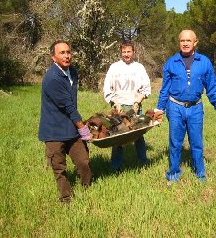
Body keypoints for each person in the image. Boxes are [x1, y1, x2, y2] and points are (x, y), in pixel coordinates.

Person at [155, 29, 216, 183]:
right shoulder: (171, 62)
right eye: (182, 40)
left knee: (197, 142)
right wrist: (159, 110)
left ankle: (200, 174)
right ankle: (173, 173)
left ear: (195, 42)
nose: (185, 43)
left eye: (188, 40)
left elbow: (211, 87)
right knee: (175, 142)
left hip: (195, 108)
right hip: (175, 107)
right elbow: (164, 89)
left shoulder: (204, 62)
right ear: (179, 42)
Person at [38, 40, 92, 203]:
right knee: (59, 167)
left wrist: (77, 127)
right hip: (54, 131)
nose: (67, 55)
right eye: (62, 53)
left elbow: (71, 103)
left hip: (71, 127)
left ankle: (87, 187)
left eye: (68, 52)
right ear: (53, 57)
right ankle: (66, 198)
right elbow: (68, 106)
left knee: (83, 161)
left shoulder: (72, 72)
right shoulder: (52, 78)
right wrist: (83, 128)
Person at [103, 41, 151, 171]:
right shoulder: (114, 67)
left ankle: (143, 162)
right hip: (119, 107)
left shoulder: (139, 67)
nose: (126, 54)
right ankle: (115, 166)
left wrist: (138, 101)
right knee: (117, 137)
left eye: (128, 51)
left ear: (133, 52)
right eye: (124, 52)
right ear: (121, 53)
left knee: (138, 135)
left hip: (135, 106)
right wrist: (116, 103)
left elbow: (146, 88)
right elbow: (107, 89)